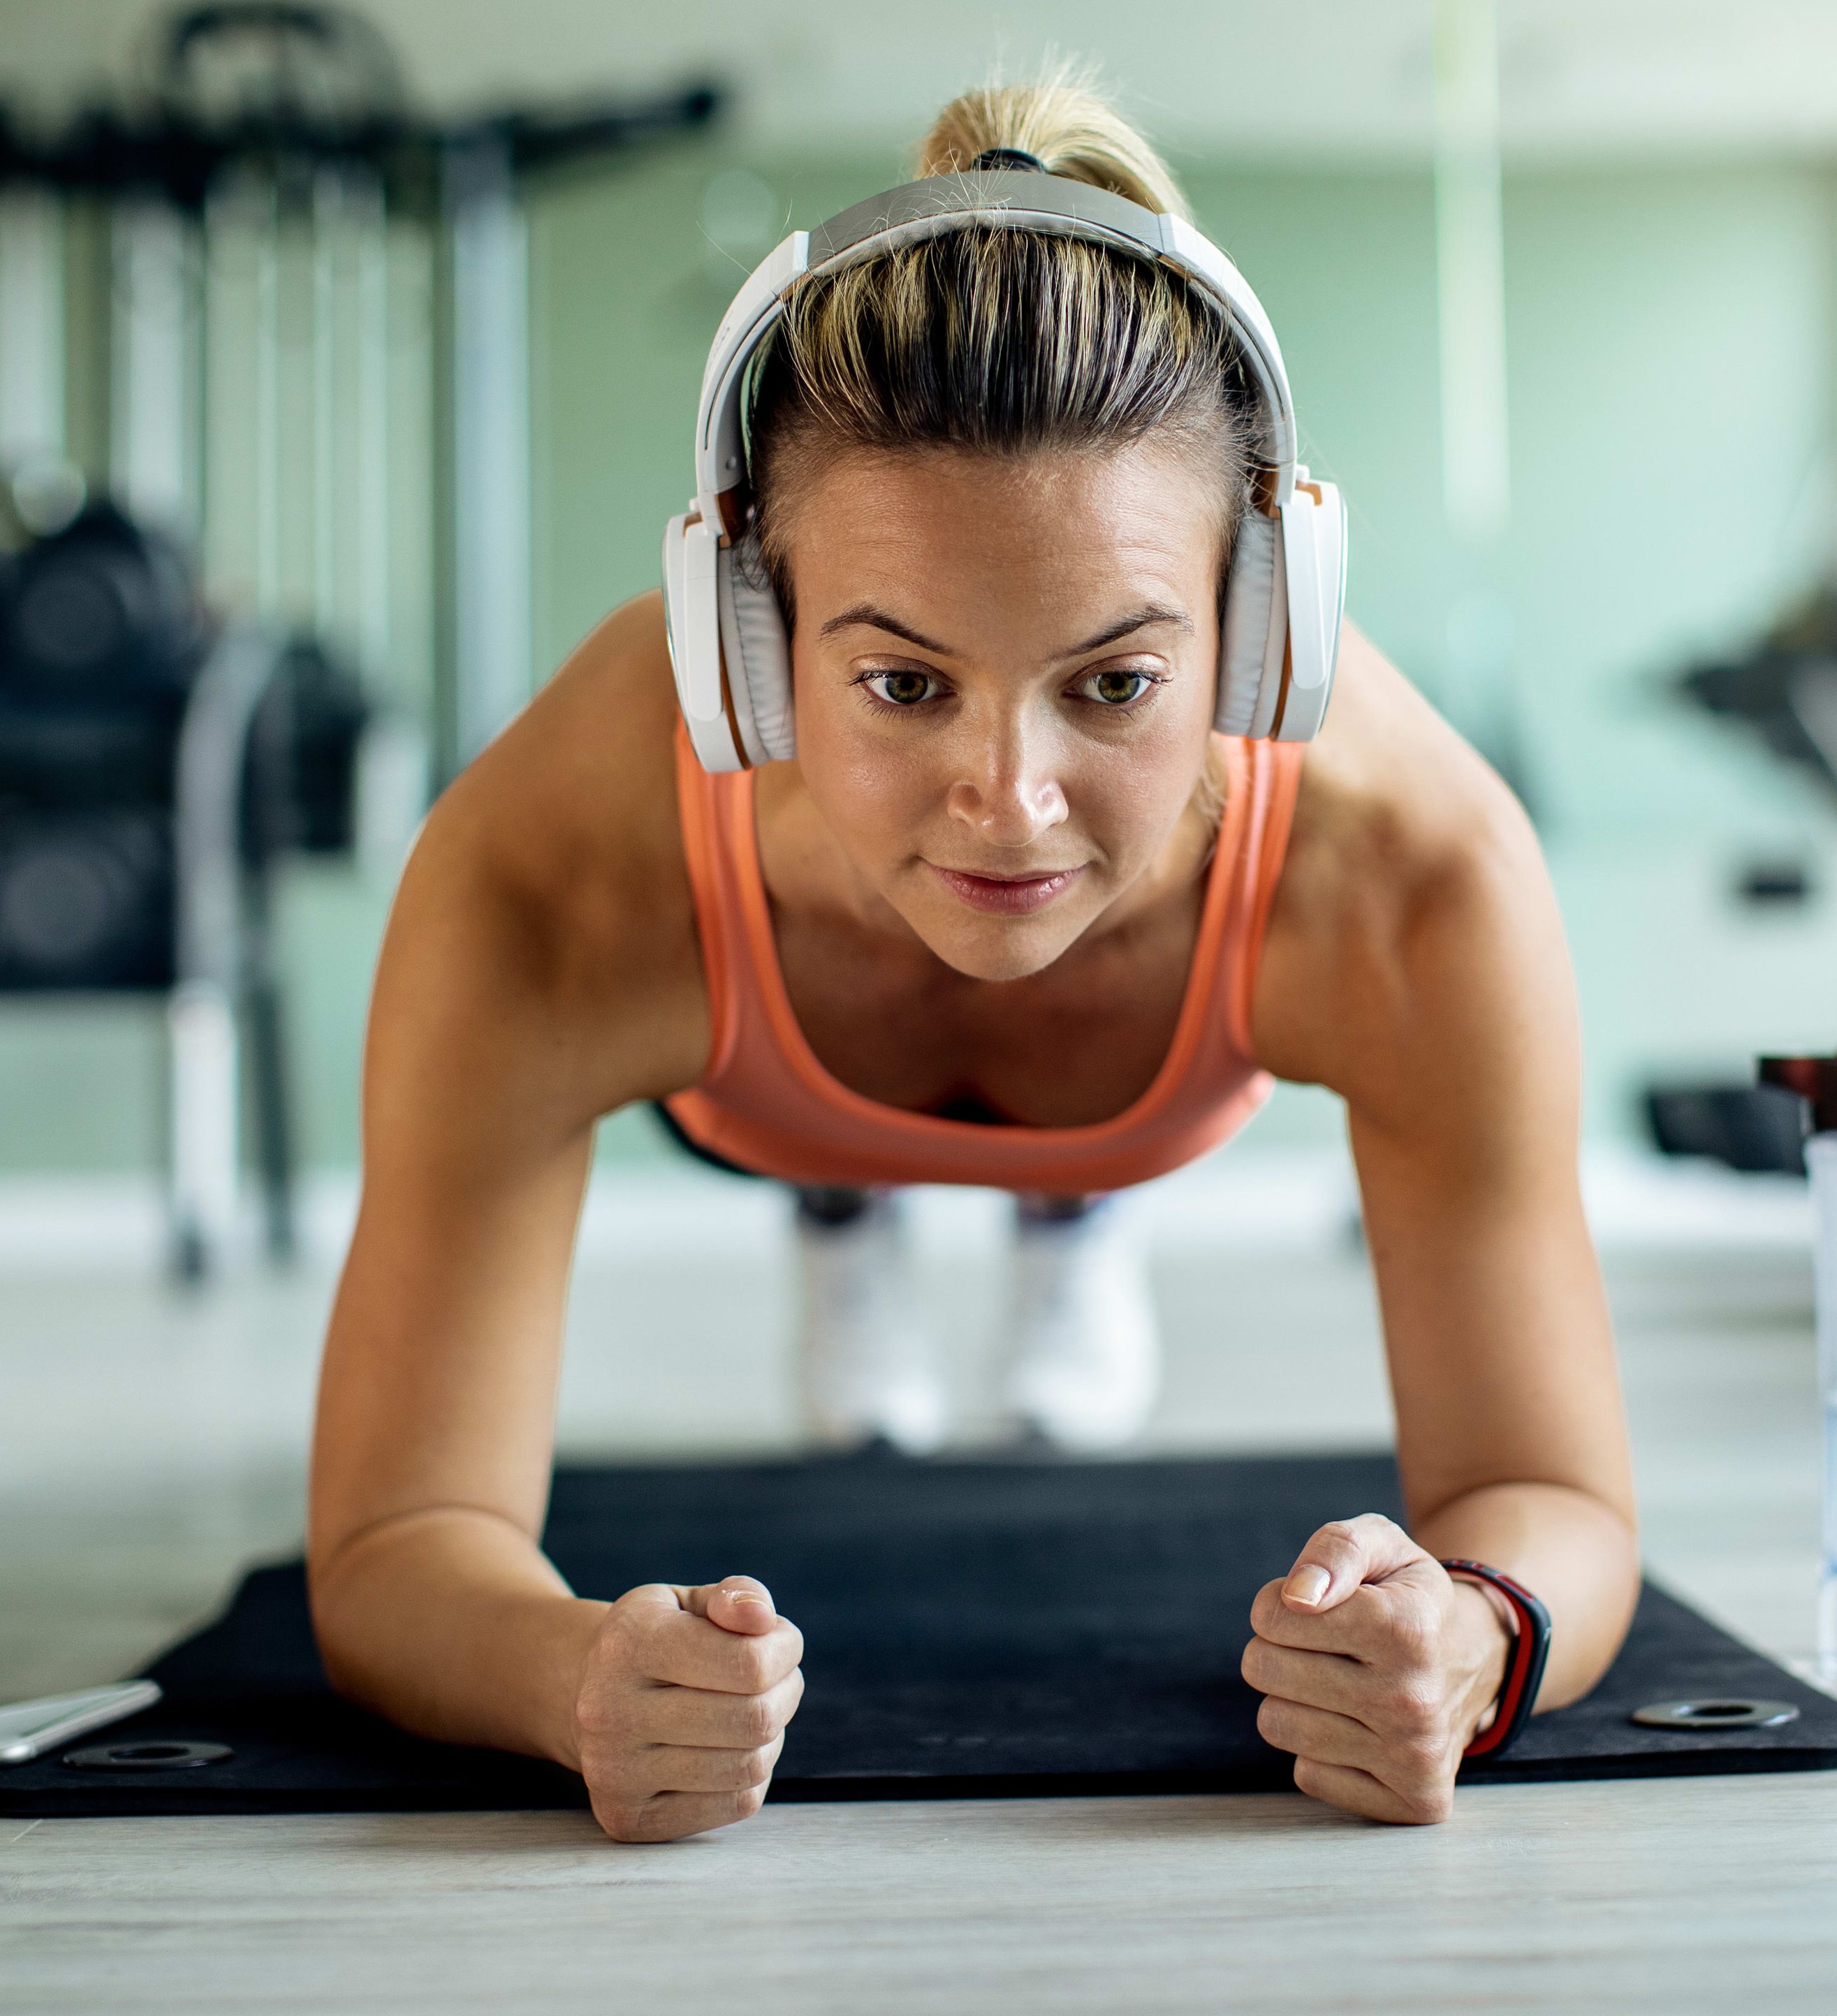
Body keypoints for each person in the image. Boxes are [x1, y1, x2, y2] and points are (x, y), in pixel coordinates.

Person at [307, 76, 1639, 1842]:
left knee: (1032, 958)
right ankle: (850, 1198)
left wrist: (1474, 1631)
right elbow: (394, 1546)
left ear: (1262, 635)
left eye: (1116, 681)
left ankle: (1070, 1195)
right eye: (903, 682)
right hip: (747, 1082)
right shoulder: (555, 869)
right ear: (750, 650)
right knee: (891, 1043)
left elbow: (1554, 1493)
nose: (1008, 804)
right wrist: (567, 1675)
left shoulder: (1418, 878)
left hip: (1163, 1052)